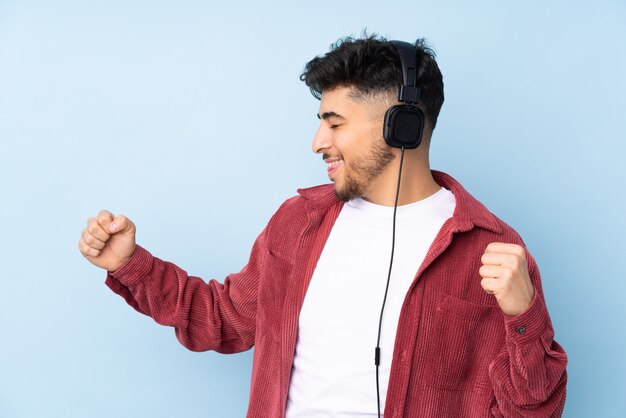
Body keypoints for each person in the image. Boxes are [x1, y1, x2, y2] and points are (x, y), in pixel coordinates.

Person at [78, 35, 568, 417]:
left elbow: (534, 410)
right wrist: (131, 266)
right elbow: (224, 319)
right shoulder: (298, 224)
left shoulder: (491, 248)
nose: (317, 141)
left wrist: (523, 314)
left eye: (335, 123)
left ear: (403, 126)